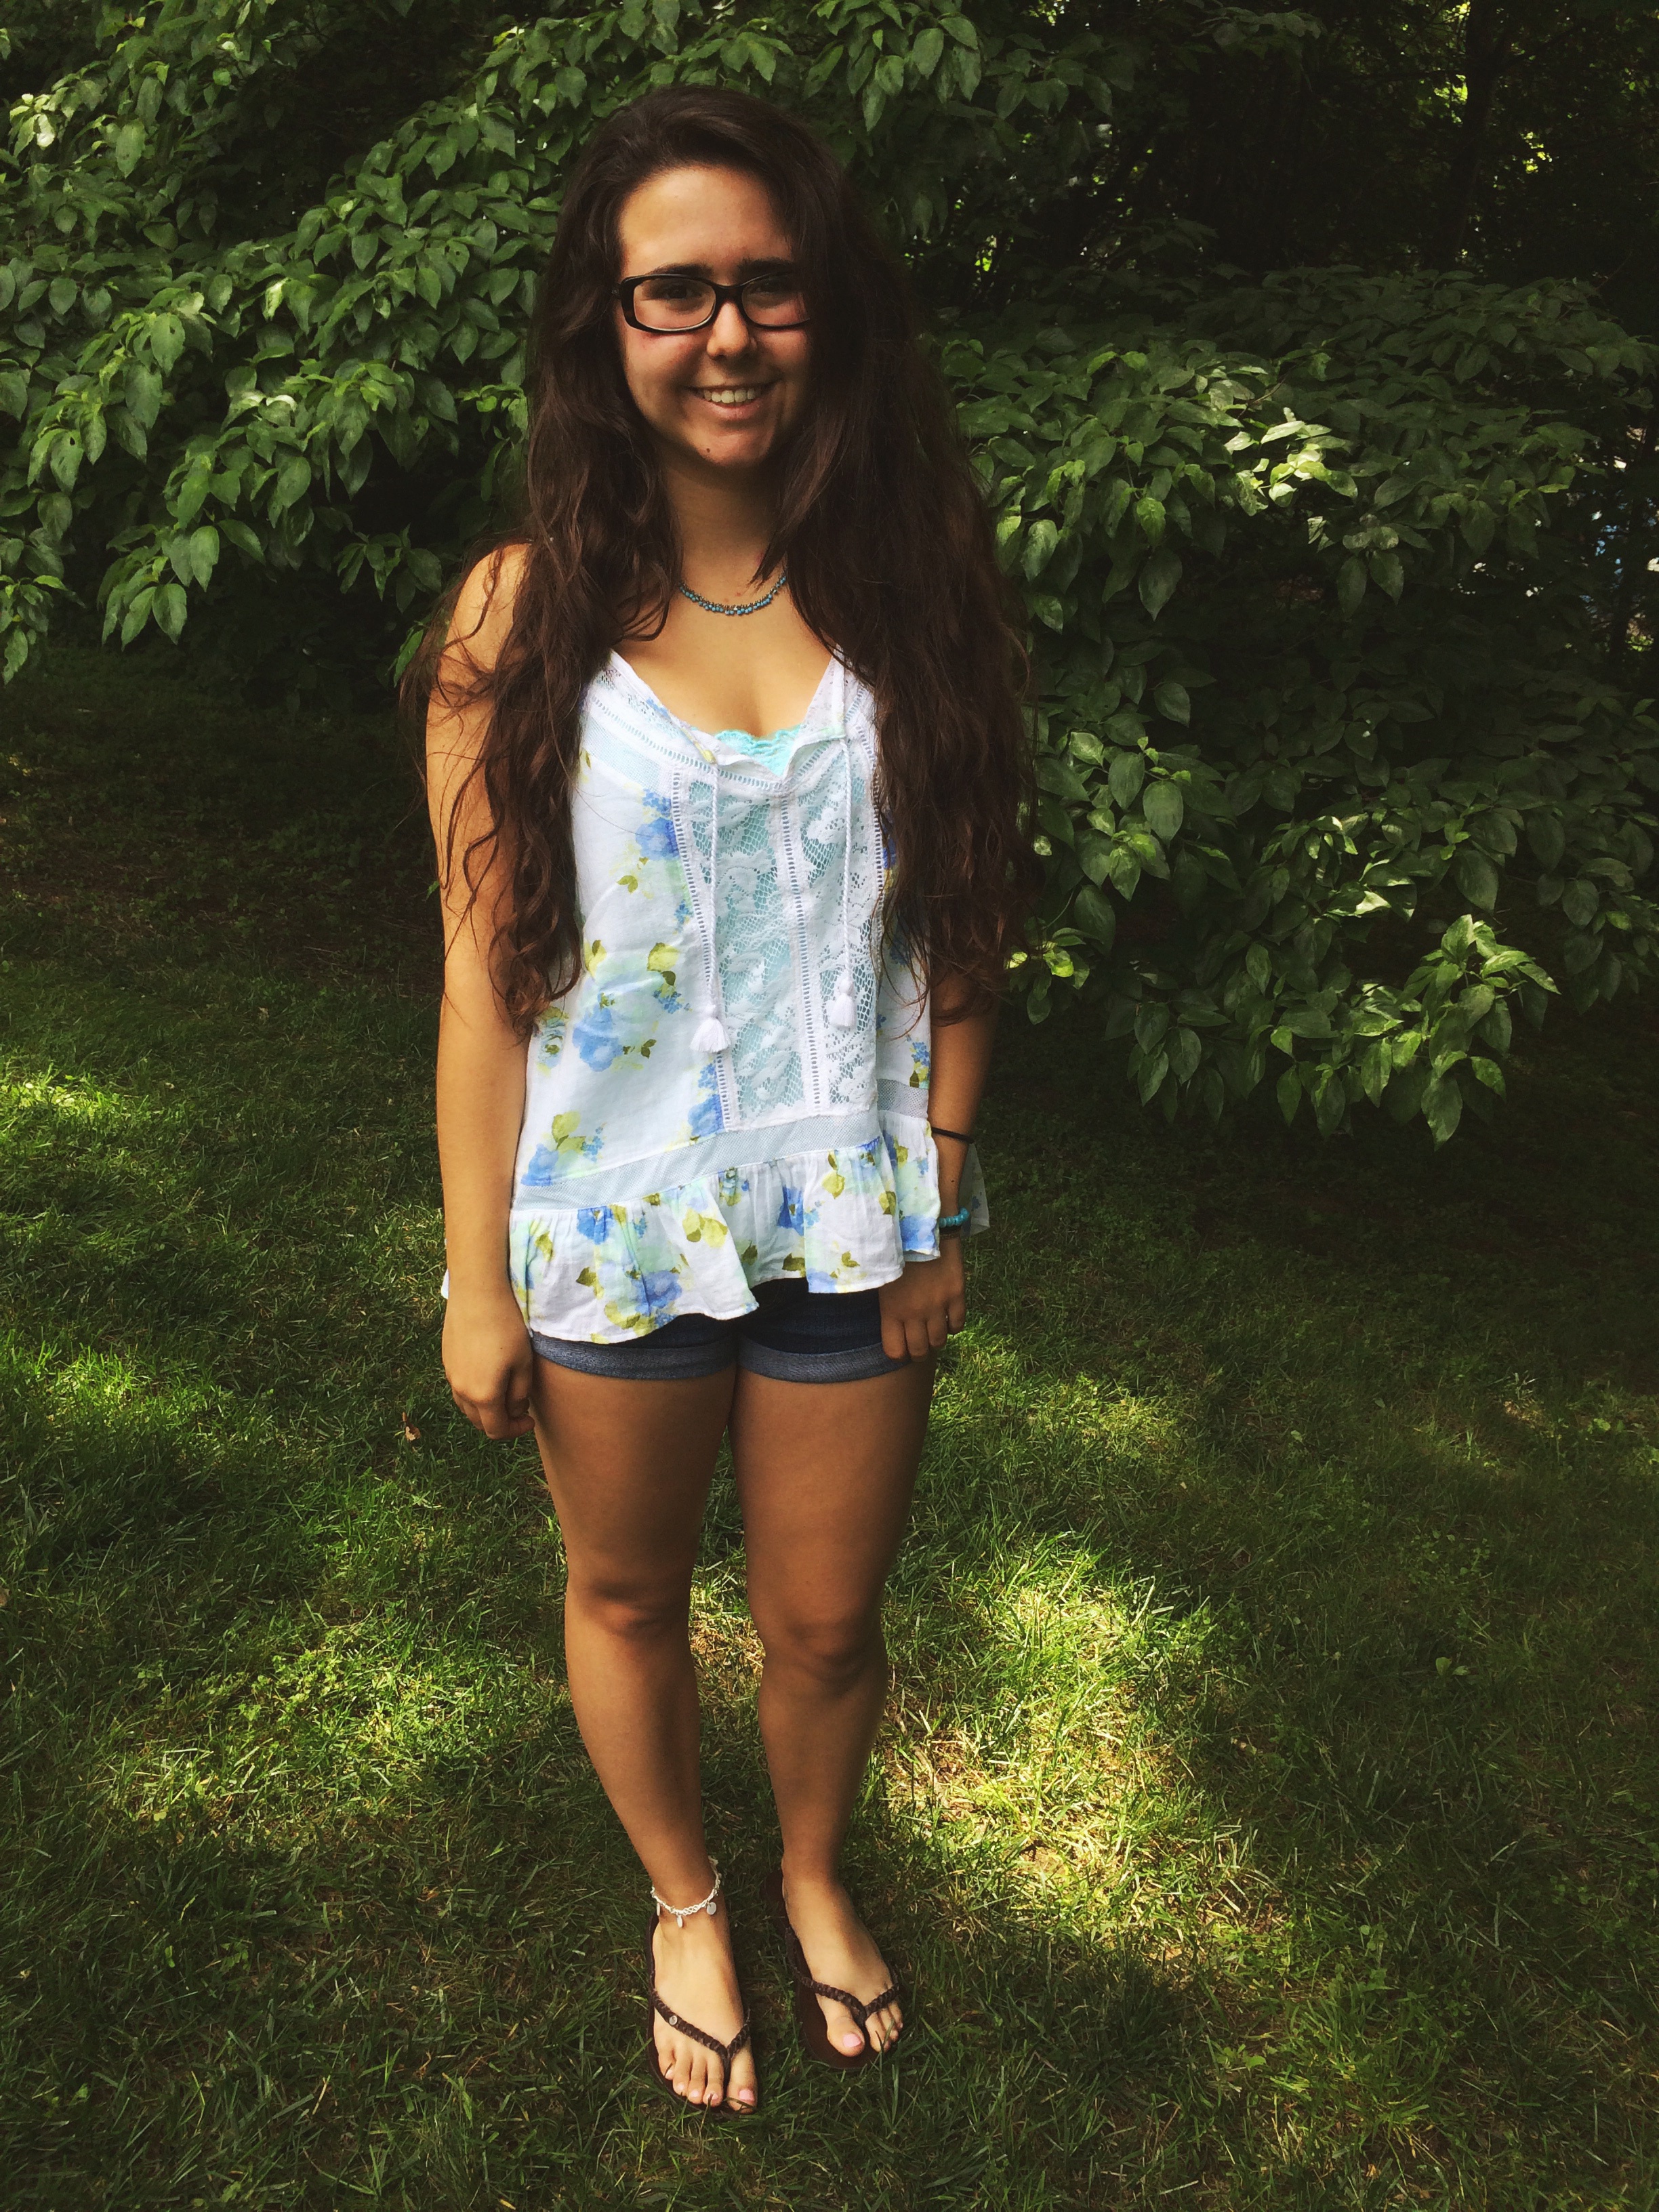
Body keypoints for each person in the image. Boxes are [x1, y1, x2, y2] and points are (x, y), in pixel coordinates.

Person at [418, 84, 1036, 2116]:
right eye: (671, 291)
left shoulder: (915, 589)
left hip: (855, 1216)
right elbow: (485, 981)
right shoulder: (520, 619)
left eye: (768, 285)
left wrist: (943, 1197)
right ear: (604, 325)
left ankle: (809, 1870)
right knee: (624, 1592)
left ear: (824, 307)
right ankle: (688, 1900)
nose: (727, 334)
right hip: (613, 1219)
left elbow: (966, 928)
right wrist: (476, 1282)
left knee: (830, 1623)